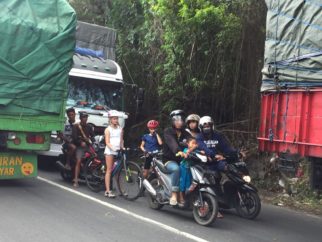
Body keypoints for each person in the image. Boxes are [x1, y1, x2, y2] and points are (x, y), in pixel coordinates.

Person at [163, 110, 192, 205]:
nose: (179, 122)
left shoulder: (185, 133)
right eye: (176, 120)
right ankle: (174, 194)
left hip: (182, 160)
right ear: (172, 121)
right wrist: (178, 151)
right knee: (176, 169)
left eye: (180, 120)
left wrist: (200, 149)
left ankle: (185, 193)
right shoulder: (168, 131)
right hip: (169, 160)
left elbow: (193, 142)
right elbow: (172, 143)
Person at [104, 110, 124, 198]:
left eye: (117, 118)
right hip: (110, 151)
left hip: (118, 151)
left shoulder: (120, 129)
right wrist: (113, 148)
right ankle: (108, 191)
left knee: (117, 172)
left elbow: (121, 140)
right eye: (114, 119)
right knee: (109, 170)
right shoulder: (107, 130)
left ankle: (121, 190)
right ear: (110, 119)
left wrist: (122, 147)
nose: (116, 120)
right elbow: (107, 142)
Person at [72, 112, 95, 187]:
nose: (85, 118)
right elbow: (74, 138)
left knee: (97, 157)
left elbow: (93, 137)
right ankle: (76, 180)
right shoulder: (76, 126)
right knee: (78, 161)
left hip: (88, 146)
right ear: (80, 118)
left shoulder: (89, 127)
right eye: (83, 117)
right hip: (80, 147)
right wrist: (80, 142)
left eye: (86, 117)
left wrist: (90, 139)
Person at [177, 137, 198, 207]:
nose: (194, 145)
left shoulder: (196, 151)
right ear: (188, 144)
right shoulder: (186, 150)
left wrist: (202, 152)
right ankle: (180, 197)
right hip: (183, 167)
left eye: (195, 143)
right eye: (192, 143)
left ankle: (188, 198)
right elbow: (186, 154)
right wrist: (193, 148)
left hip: (190, 169)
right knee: (182, 182)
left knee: (189, 183)